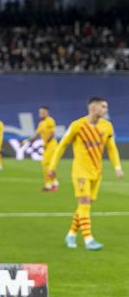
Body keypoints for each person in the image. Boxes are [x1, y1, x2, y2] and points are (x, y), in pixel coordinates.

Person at [47, 97, 123, 251]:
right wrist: (52, 166)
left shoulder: (107, 126)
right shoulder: (77, 125)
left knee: (84, 206)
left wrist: (117, 166)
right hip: (80, 172)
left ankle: (71, 234)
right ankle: (89, 240)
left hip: (97, 173)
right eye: (103, 106)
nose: (105, 109)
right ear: (93, 108)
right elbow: (62, 146)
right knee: (84, 204)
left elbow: (111, 147)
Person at [25, 106, 59, 191]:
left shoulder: (50, 120)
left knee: (46, 165)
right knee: (49, 165)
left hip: (51, 146)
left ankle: (48, 185)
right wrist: (26, 141)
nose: (41, 114)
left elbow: (52, 134)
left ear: (47, 113)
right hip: (47, 146)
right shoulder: (41, 124)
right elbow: (35, 135)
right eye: (40, 112)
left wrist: (46, 143)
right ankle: (54, 183)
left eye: (43, 112)